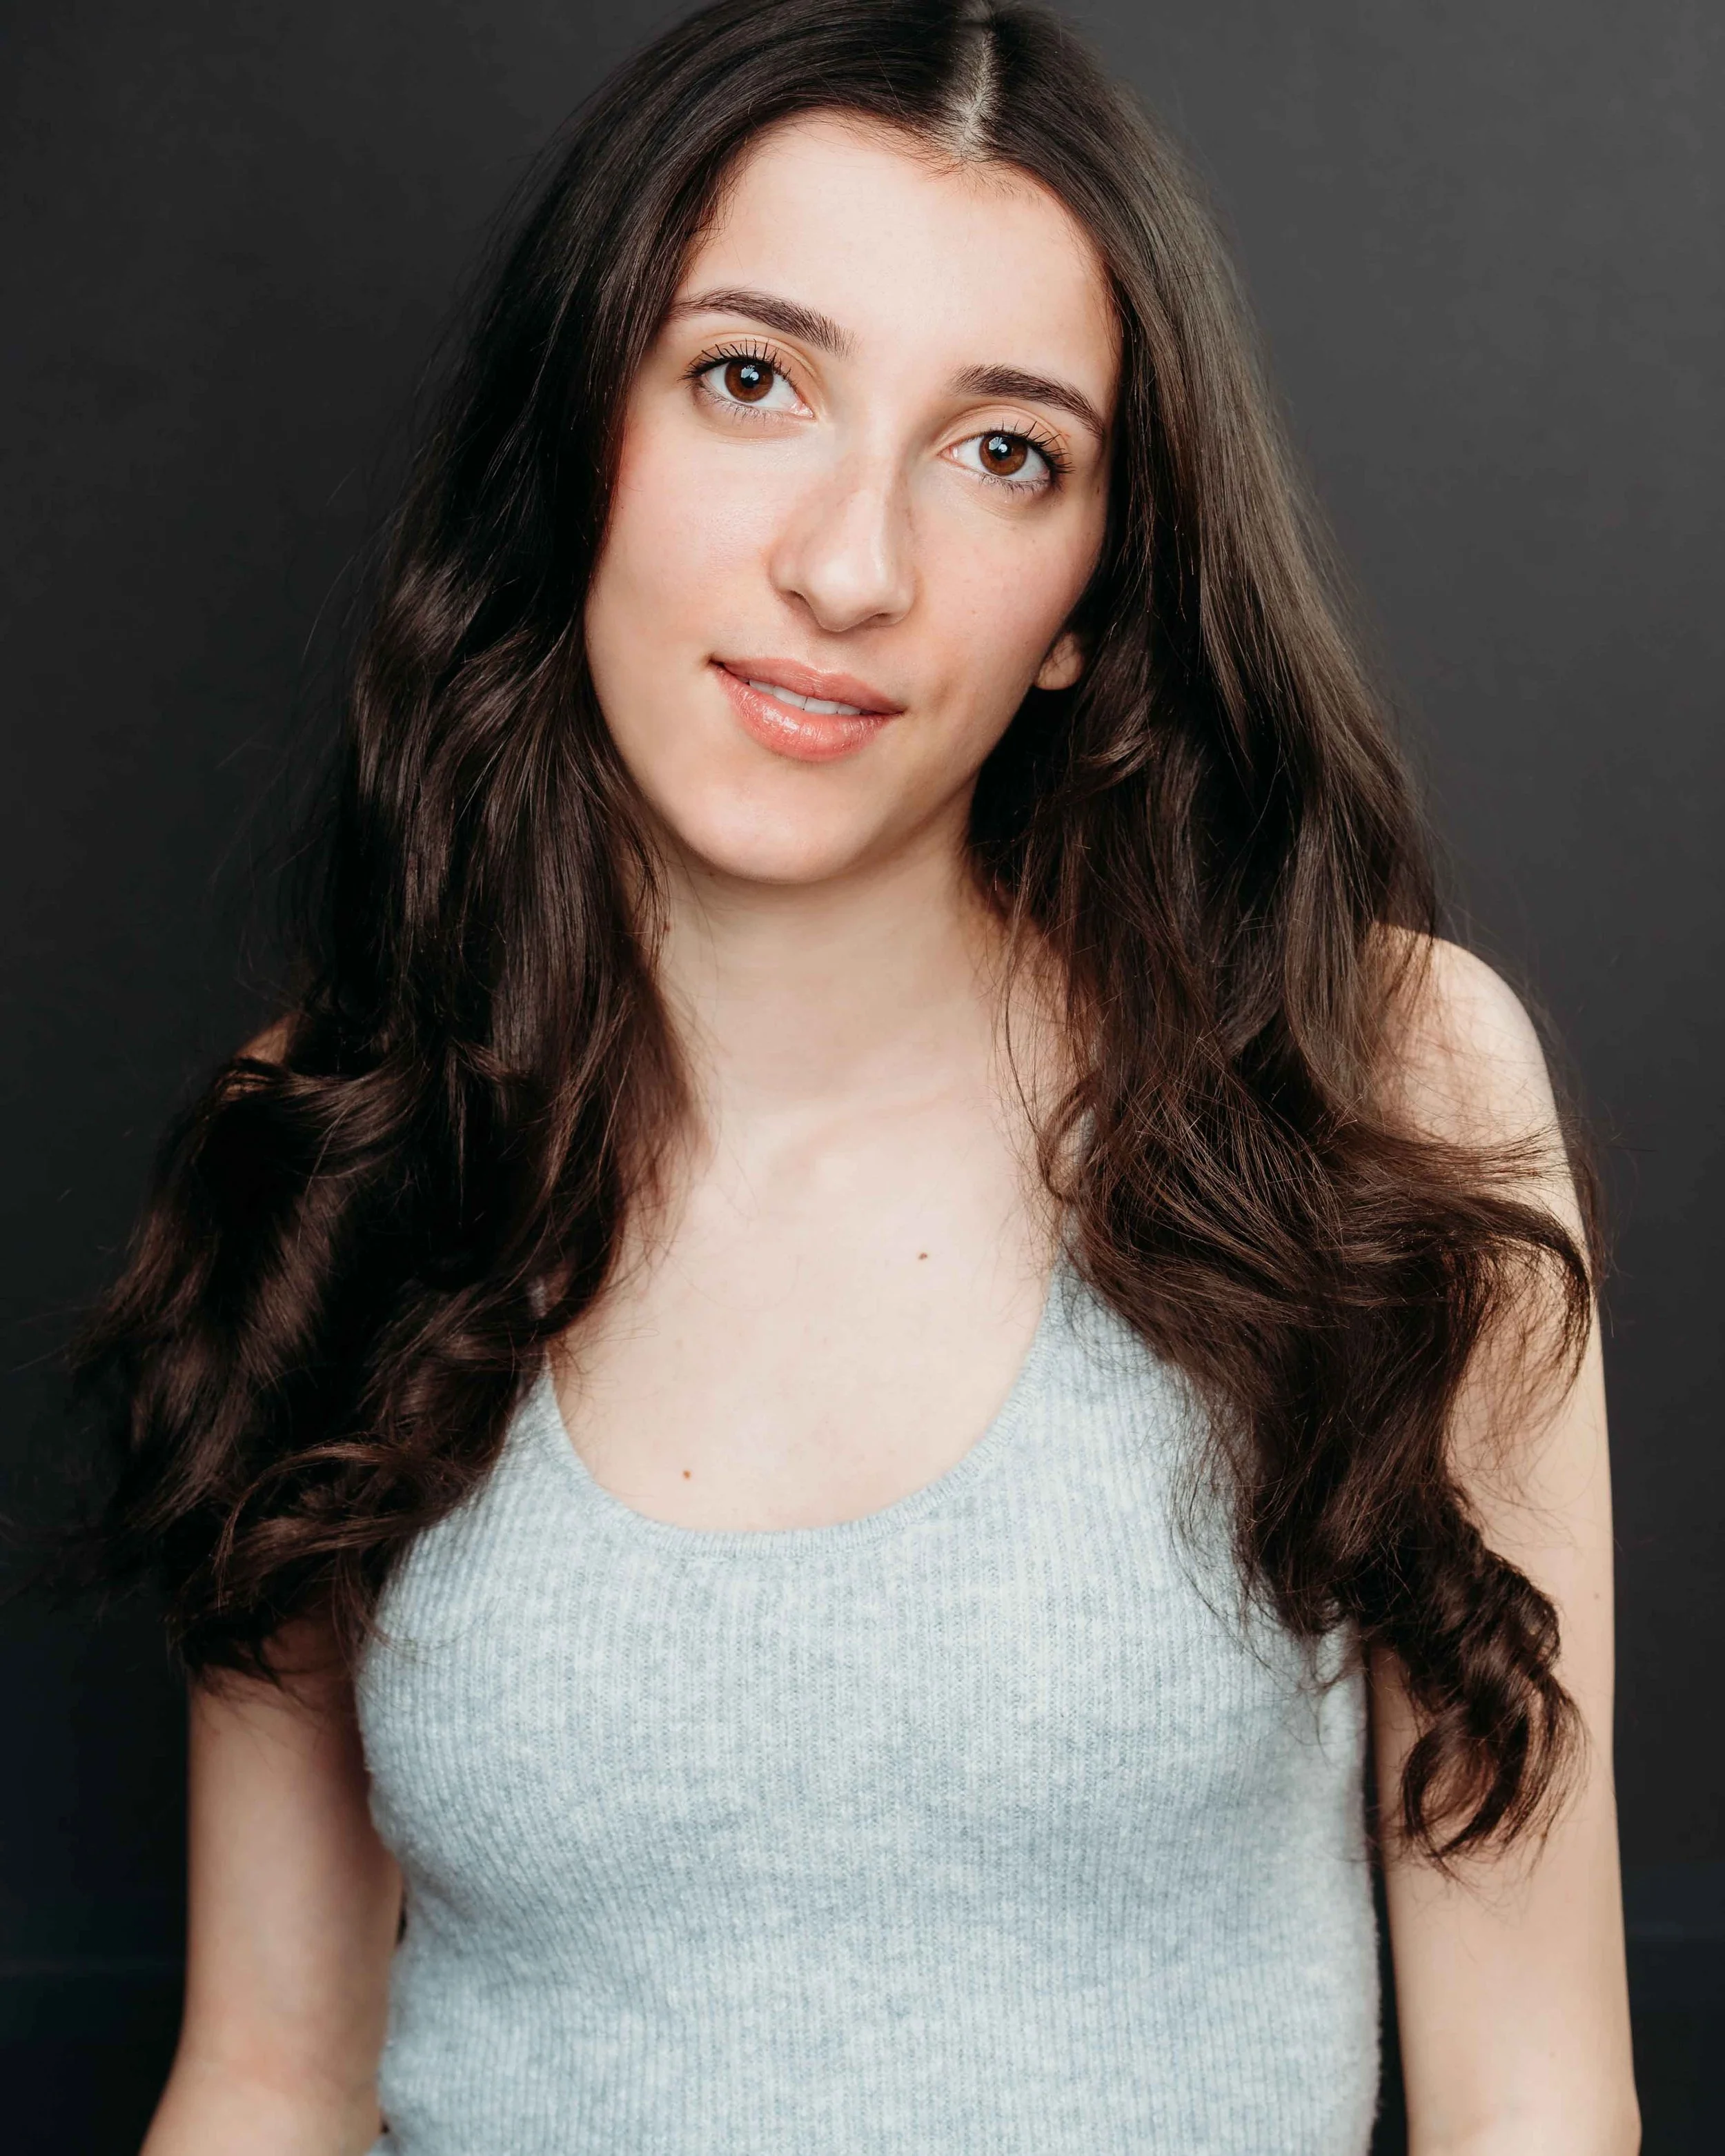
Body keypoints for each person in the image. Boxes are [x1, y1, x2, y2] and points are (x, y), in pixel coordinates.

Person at [81, 1, 1637, 2149]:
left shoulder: (1369, 1084)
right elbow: (268, 2068)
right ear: (578, 437)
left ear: (1094, 592)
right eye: (750, 379)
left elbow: (1532, 2094)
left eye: (1004, 450)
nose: (847, 565)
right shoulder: (343, 1134)